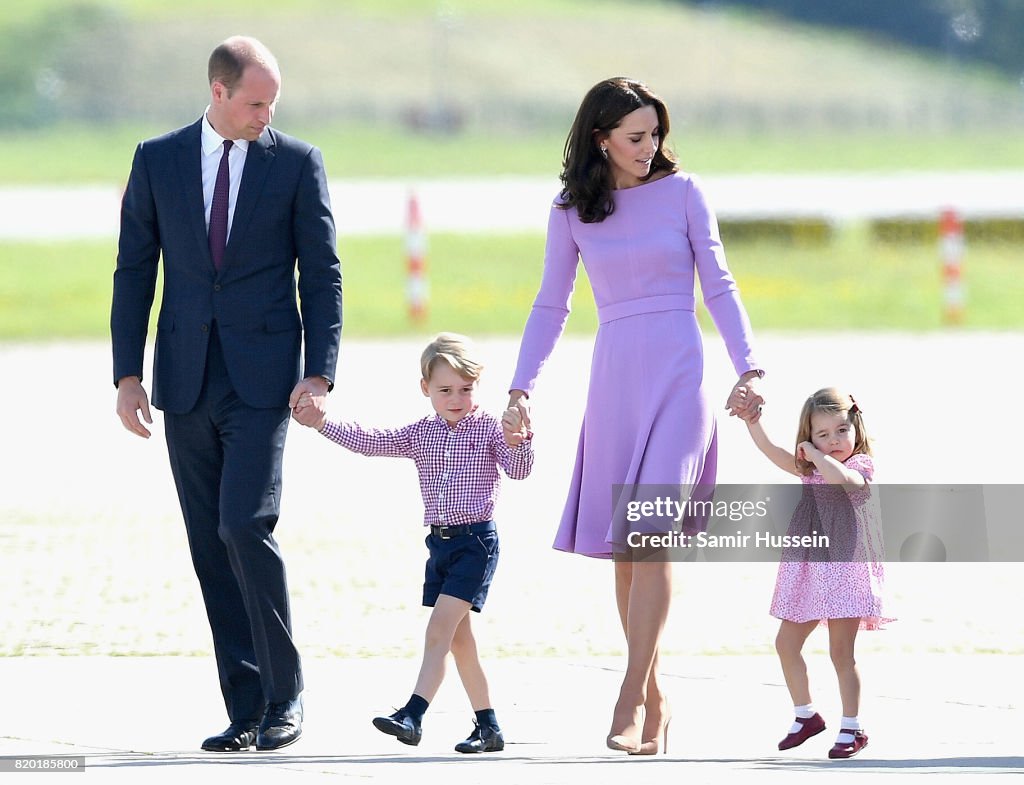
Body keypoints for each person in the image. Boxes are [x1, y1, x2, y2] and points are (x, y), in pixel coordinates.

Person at [506, 77, 764, 755]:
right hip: (615, 378)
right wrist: (520, 388)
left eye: (655, 135)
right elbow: (549, 304)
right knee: (626, 548)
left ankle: (627, 692)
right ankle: (656, 695)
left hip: (681, 374)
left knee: (651, 532)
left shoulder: (684, 193)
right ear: (601, 139)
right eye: (635, 136)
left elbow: (720, 283)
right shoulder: (570, 209)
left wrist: (750, 366)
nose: (650, 147)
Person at [111, 36, 343, 752]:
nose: (265, 114)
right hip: (184, 378)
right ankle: (245, 709)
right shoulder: (158, 160)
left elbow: (323, 273)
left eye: (273, 102)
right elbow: (133, 271)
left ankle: (286, 693)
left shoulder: (297, 163)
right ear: (218, 92)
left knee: (245, 523)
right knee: (211, 546)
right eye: (254, 102)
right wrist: (126, 375)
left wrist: (320, 372)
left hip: (264, 379)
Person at [292, 332, 533, 753]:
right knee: (460, 642)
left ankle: (413, 714)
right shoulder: (423, 434)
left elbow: (518, 470)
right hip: (439, 546)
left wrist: (520, 440)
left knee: (439, 630)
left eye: (465, 389)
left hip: (476, 543)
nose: (456, 398)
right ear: (426, 389)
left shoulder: (490, 430)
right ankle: (488, 726)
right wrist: (322, 423)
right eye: (445, 390)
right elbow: (371, 441)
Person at [743, 387, 890, 759]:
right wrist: (753, 423)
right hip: (810, 570)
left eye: (841, 430)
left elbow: (846, 481)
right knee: (785, 644)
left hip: (845, 570)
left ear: (856, 427)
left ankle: (852, 727)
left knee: (841, 654)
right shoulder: (812, 466)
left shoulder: (858, 466)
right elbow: (774, 453)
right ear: (809, 438)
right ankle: (805, 715)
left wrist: (814, 454)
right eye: (822, 434)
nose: (834, 440)